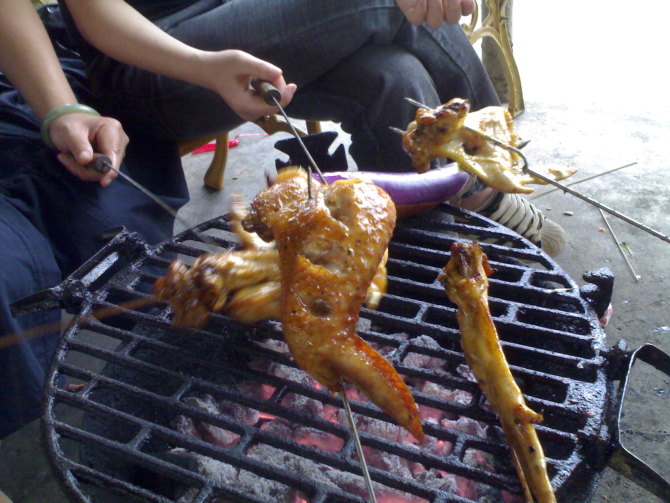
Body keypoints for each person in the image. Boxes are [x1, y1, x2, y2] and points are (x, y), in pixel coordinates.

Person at [58, 0, 566, 256]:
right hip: (151, 64)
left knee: (394, 76)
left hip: (239, 19)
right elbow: (95, 14)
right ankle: (485, 186)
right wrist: (203, 66)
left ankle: (425, 261)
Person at [0, 0, 189, 441]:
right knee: (8, 274)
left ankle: (200, 370)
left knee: (114, 235)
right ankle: (32, 437)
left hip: (12, 88)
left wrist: (61, 111)